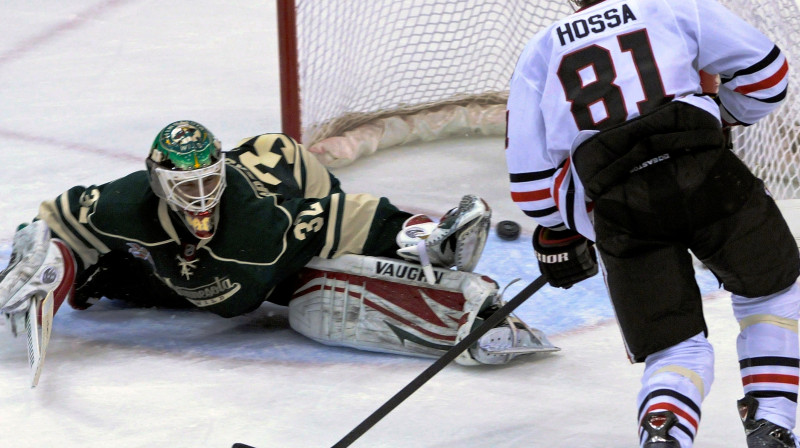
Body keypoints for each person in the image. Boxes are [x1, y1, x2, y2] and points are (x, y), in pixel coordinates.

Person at [0, 120, 557, 369]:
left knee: (313, 297)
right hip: (212, 264)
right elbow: (58, 219)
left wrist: (423, 234)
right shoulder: (128, 202)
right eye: (184, 186)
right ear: (157, 181)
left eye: (208, 180)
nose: (200, 197)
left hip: (292, 175)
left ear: (220, 171)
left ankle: (467, 313)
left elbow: (342, 214)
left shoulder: (259, 226)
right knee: (149, 280)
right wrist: (50, 260)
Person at [505, 0, 798, 446]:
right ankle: (772, 422)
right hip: (710, 178)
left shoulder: (539, 51)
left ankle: (665, 434)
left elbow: (531, 186)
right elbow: (768, 77)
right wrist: (720, 116)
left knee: (674, 346)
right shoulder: (673, 5)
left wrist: (570, 228)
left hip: (623, 208)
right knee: (774, 293)